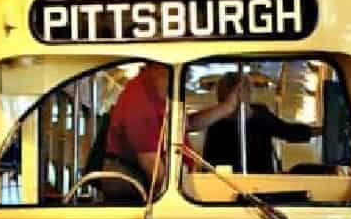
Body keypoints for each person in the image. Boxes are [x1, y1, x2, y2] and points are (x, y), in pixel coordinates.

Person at [106, 63, 249, 196]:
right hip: (131, 183)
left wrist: (227, 107)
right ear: (160, 68)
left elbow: (186, 124)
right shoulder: (139, 102)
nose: (186, 77)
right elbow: (154, 171)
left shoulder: (157, 95)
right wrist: (189, 201)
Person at [202, 72, 316, 174]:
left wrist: (318, 131)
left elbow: (289, 132)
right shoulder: (216, 125)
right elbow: (208, 167)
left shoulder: (260, 114)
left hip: (264, 184)